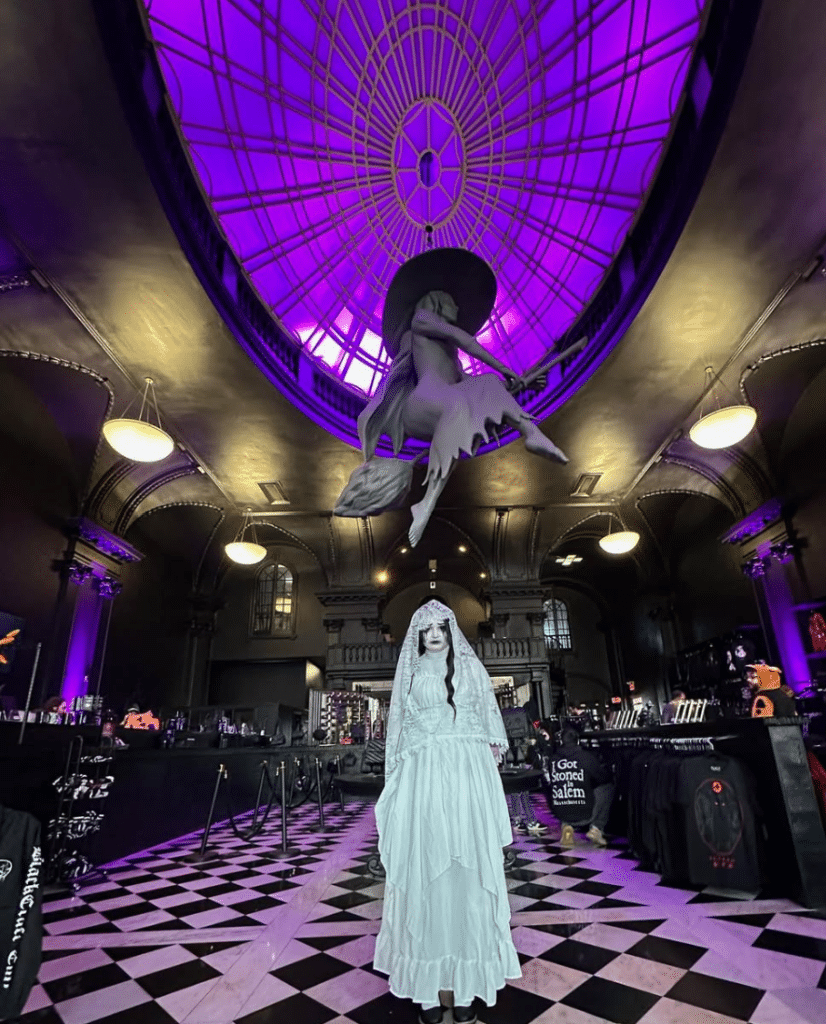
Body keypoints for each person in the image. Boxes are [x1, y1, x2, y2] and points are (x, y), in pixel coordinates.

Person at [336, 248, 568, 547]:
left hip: (445, 399)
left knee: (484, 384)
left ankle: (532, 433)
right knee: (458, 406)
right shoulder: (421, 319)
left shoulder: (452, 358)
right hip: (419, 406)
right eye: (451, 301)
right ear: (435, 300)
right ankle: (428, 500)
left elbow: (471, 387)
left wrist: (514, 388)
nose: (457, 307)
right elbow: (465, 340)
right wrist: (508, 370)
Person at [373, 599, 521, 1024]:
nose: (434, 633)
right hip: (424, 778)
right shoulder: (412, 671)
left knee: (469, 879)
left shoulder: (471, 669)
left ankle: (469, 983)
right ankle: (431, 990)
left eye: (441, 625)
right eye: (426, 627)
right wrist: (399, 773)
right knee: (427, 873)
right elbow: (399, 726)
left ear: (451, 629)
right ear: (417, 634)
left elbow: (490, 726)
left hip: (465, 779)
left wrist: (488, 749)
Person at [548, 728, 614, 848]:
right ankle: (596, 828)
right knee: (608, 788)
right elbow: (603, 778)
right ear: (578, 742)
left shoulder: (553, 760)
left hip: (559, 812)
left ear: (561, 742)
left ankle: (566, 826)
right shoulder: (586, 757)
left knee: (563, 790)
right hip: (585, 814)